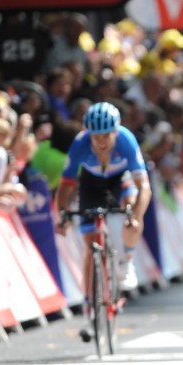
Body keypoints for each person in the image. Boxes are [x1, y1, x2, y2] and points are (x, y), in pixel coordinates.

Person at [55, 102, 152, 336]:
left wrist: (136, 216)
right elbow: (66, 185)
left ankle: (126, 262)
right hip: (91, 185)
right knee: (91, 244)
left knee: (131, 209)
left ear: (115, 132)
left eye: (106, 135)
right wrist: (63, 215)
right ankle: (90, 306)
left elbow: (144, 187)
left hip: (121, 180)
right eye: (95, 136)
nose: (100, 142)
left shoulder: (126, 140)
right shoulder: (80, 143)